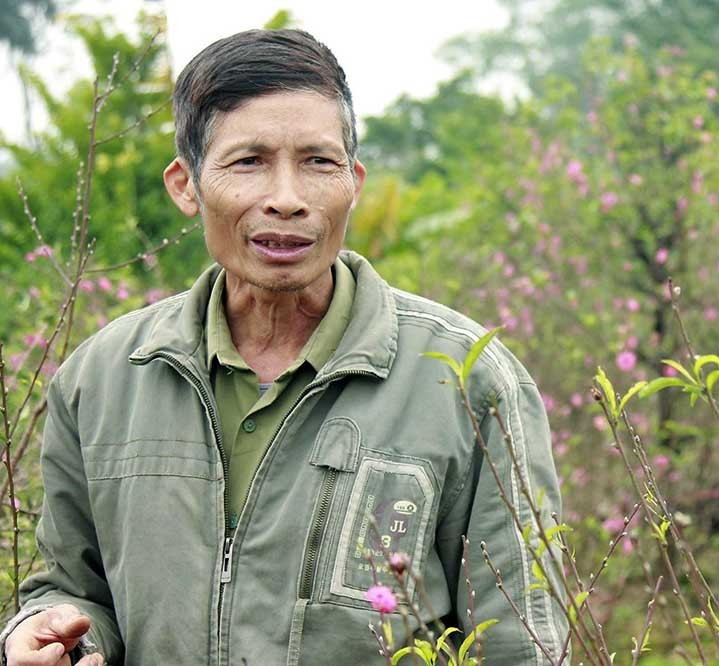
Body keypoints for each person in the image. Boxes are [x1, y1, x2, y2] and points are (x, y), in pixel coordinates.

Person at [1, 29, 566, 666]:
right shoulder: (101, 380)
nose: (288, 199)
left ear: (353, 181)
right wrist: (47, 633)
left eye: (318, 163)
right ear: (186, 185)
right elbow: (73, 589)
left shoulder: (466, 379)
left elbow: (523, 640)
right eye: (248, 162)